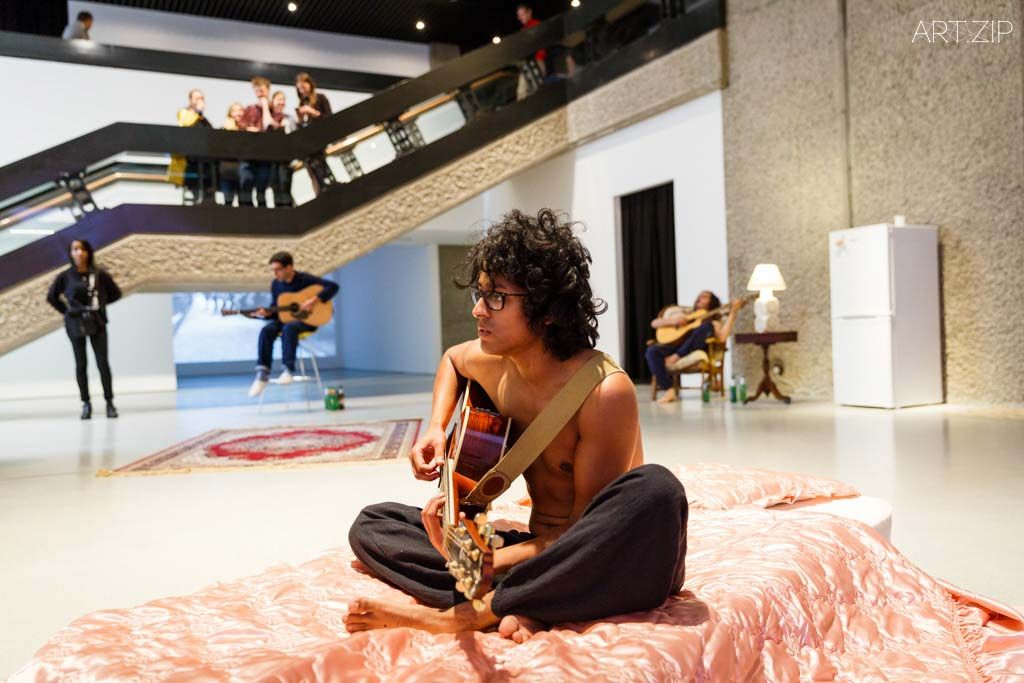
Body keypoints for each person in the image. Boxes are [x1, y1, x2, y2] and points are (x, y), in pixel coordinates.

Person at [345, 209, 688, 642]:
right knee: (373, 524)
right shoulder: (494, 361)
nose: (477, 310)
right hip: (537, 554)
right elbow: (452, 359)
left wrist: (484, 561)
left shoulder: (603, 391)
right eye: (480, 293)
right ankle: (527, 599)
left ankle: (466, 614)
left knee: (658, 490)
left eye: (496, 298)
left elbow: (584, 535)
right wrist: (435, 427)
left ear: (546, 310)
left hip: (599, 553)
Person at [46, 239, 122, 420]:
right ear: (71, 253)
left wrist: (99, 305)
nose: (79, 253)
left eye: (82, 249)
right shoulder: (65, 276)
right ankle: (86, 403)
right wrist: (68, 311)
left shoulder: (99, 274)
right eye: (75, 249)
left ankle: (109, 403)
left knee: (102, 363)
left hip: (97, 322)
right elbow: (52, 297)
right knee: (81, 364)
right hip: (75, 323)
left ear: (88, 252)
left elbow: (115, 293)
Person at [247, 251, 339, 397]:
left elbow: (333, 286)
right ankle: (262, 373)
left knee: (289, 328)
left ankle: (288, 370)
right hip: (284, 320)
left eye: (278, 269)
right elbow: (277, 309)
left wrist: (313, 300)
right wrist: (266, 314)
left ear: (289, 267)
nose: (275, 274)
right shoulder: (276, 284)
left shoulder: (305, 279)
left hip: (306, 321)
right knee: (266, 330)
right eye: (273, 270)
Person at [645, 291, 744, 403]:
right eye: (699, 296)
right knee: (652, 351)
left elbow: (722, 338)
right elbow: (654, 323)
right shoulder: (686, 313)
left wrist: (733, 313)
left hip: (694, 348)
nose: (699, 298)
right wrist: (674, 321)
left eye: (704, 297)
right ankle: (669, 389)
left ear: (712, 302)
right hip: (675, 344)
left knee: (707, 326)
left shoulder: (713, 321)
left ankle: (676, 357)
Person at [294, 72, 335, 194]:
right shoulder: (301, 104)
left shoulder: (321, 98)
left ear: (310, 85)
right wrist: (299, 120)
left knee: (315, 158)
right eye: (300, 89)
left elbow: (330, 119)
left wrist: (313, 112)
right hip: (310, 142)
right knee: (310, 160)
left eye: (304, 87)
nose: (302, 91)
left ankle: (327, 184)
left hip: (322, 136)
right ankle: (322, 187)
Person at [173, 89, 215, 203]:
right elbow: (185, 124)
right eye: (197, 98)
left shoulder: (203, 119)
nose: (199, 101)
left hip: (206, 160)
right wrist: (197, 111)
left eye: (201, 98)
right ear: (190, 100)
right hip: (191, 160)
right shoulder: (184, 113)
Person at [239, 77, 275, 207]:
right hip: (249, 153)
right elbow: (241, 126)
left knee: (261, 187)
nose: (259, 93)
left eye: (262, 90)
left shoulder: (273, 109)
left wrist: (265, 105)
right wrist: (249, 129)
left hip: (265, 154)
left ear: (268, 90)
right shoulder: (250, 109)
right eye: (256, 90)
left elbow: (270, 126)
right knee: (246, 182)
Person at [267, 91, 296, 208]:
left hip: (285, 159)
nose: (281, 102)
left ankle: (290, 210)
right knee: (276, 188)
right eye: (279, 99)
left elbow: (294, 138)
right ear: (272, 101)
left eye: (283, 99)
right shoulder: (267, 118)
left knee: (285, 185)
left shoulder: (289, 119)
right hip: (271, 159)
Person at [515, 4, 547, 100]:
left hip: (537, 61)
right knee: (523, 91)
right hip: (528, 63)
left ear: (529, 12)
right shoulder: (523, 30)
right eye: (519, 16)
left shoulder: (536, 24)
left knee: (533, 90)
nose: (521, 17)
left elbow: (541, 43)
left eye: (523, 14)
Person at [218, 103, 245, 206]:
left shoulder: (247, 129)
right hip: (227, 171)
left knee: (244, 202)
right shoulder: (224, 129)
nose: (238, 113)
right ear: (230, 113)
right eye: (235, 110)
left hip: (243, 171)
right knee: (228, 202)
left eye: (240, 110)